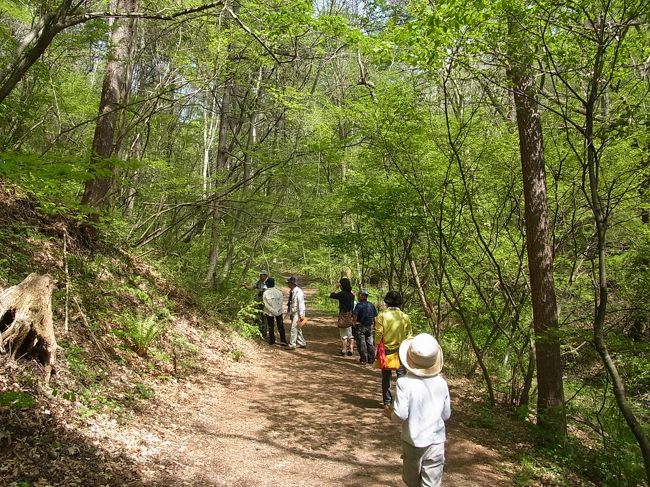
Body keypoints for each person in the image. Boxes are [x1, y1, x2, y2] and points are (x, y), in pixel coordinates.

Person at [385, 333, 450, 487]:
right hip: (436, 442)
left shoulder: (404, 383)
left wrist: (390, 415)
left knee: (411, 481)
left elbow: (400, 414)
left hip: (412, 441)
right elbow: (446, 415)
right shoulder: (441, 383)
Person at [375, 291, 412, 407]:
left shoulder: (382, 315)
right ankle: (400, 402)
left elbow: (378, 333)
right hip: (401, 351)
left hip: (386, 351)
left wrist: (376, 345)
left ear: (387, 301)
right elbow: (409, 336)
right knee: (401, 377)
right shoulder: (405, 317)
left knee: (386, 377)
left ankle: (387, 402)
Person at [329, 277, 355, 356]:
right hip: (350, 315)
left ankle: (344, 350)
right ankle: (351, 349)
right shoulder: (352, 295)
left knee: (343, 334)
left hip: (342, 315)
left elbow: (332, 295)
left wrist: (336, 288)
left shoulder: (341, 294)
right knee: (350, 333)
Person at [353, 288, 377, 365]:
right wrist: (375, 326)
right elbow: (375, 317)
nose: (358, 297)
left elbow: (355, 315)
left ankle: (363, 359)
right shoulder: (371, 305)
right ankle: (371, 359)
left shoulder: (359, 305)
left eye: (359, 295)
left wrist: (354, 323)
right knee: (370, 343)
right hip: (370, 326)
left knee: (361, 343)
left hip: (361, 326)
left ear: (362, 296)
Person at [262, 278, 287, 346]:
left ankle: (272, 340)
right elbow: (281, 302)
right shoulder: (279, 292)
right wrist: (276, 310)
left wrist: (272, 311)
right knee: (280, 326)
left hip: (269, 312)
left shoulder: (265, 293)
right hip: (278, 312)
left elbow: (265, 304)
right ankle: (283, 340)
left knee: (271, 326)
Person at [286, 276, 306, 350]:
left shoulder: (298, 292)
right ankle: (302, 343)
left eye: (289, 283)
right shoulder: (292, 291)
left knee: (294, 328)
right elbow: (291, 303)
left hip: (298, 313)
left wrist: (301, 315)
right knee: (298, 328)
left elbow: (301, 303)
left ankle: (292, 345)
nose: (287, 284)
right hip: (294, 312)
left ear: (292, 283)